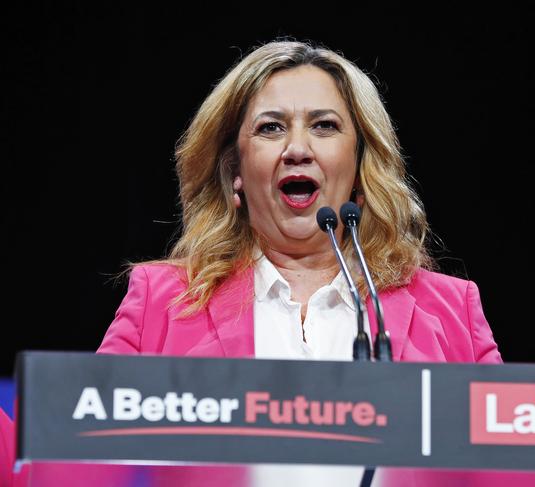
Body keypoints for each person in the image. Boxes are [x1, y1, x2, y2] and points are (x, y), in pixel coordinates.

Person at [1, 40, 504, 486]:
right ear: (235, 173)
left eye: (325, 126)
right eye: (271, 128)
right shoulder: (161, 298)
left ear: (358, 168)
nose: (298, 149)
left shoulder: (450, 308)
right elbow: (76, 454)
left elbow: (516, 463)